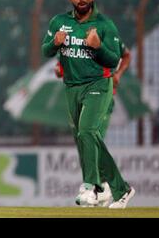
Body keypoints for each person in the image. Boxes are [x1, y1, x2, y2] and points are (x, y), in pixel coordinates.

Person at [42, 0, 135, 209]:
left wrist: (98, 46)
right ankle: (120, 189)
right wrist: (55, 43)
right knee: (84, 137)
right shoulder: (59, 22)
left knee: (87, 131)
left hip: (98, 84)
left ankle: (91, 186)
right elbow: (45, 51)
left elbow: (114, 59)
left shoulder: (105, 24)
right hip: (71, 86)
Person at [54, 41, 131, 206]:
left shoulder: (108, 37)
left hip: (101, 97)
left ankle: (100, 187)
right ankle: (100, 187)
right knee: (84, 140)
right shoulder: (75, 40)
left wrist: (118, 74)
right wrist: (61, 69)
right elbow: (67, 66)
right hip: (81, 96)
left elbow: (126, 54)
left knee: (90, 137)